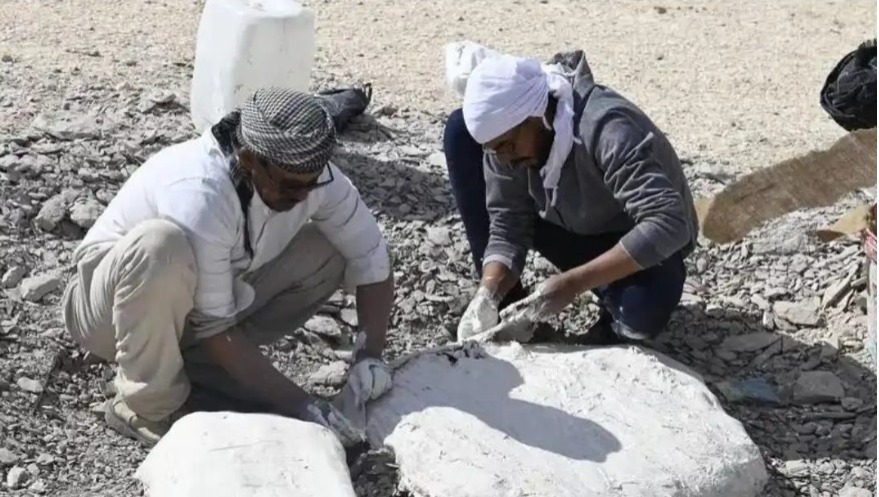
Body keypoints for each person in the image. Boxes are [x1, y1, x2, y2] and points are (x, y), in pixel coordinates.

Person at [60, 87, 395, 448]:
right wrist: (303, 405)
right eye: (288, 187)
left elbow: (372, 259)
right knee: (160, 246)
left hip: (193, 308)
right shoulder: (200, 192)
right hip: (107, 312)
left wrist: (369, 358)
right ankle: (147, 405)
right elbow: (215, 327)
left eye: (310, 185)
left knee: (329, 248)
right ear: (250, 160)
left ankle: (202, 370)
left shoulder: (311, 177)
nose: (301, 196)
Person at [444, 51, 699, 345]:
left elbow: (669, 223)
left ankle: (609, 330)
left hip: (631, 235)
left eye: (508, 145)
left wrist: (572, 284)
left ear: (537, 114)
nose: (504, 159)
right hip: (565, 218)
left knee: (642, 309)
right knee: (460, 132)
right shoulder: (507, 142)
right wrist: (488, 293)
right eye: (495, 150)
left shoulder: (607, 130)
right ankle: (507, 311)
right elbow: (507, 225)